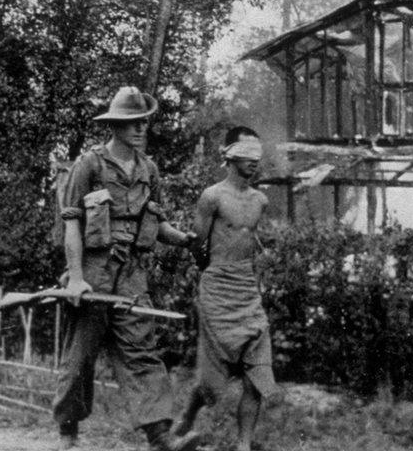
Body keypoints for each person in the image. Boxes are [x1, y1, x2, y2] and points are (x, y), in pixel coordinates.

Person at [54, 86, 201, 451]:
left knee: (142, 354)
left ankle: (160, 436)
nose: (140, 129)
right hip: (93, 273)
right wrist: (75, 278)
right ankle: (68, 433)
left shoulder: (149, 170)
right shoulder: (89, 165)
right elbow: (72, 225)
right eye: (132, 123)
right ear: (115, 126)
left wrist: (183, 238)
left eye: (144, 123)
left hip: (133, 274)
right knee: (79, 360)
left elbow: (156, 224)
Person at [172, 126, 280, 451]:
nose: (254, 164)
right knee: (211, 377)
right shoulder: (213, 196)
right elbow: (198, 248)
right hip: (217, 288)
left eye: (257, 158)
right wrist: (214, 277)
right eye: (247, 157)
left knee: (257, 373)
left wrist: (261, 262)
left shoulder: (260, 201)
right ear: (231, 157)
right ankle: (187, 417)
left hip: (248, 291)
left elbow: (258, 242)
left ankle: (243, 444)